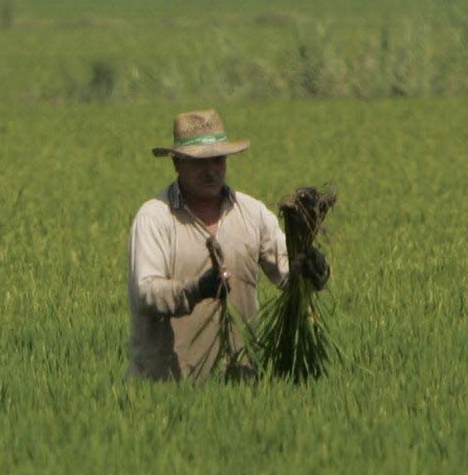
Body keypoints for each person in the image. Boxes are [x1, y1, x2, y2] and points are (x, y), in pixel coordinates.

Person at [127, 108, 325, 381]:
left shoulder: (252, 213)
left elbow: (288, 274)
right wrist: (195, 289)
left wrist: (313, 270)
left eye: (217, 160)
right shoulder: (155, 217)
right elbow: (146, 293)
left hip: (240, 384)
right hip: (166, 387)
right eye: (199, 163)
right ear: (177, 163)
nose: (210, 171)